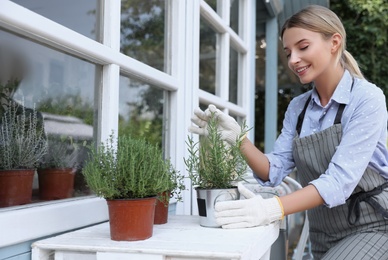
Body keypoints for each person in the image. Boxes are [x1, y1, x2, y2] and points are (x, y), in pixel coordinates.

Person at [189, 5, 388, 260]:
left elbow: (339, 181)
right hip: (323, 233)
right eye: (288, 52)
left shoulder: (366, 99)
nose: (293, 59)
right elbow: (272, 171)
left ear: (334, 42)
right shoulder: (298, 108)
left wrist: (271, 208)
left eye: (303, 47)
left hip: (372, 228)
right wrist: (239, 140)